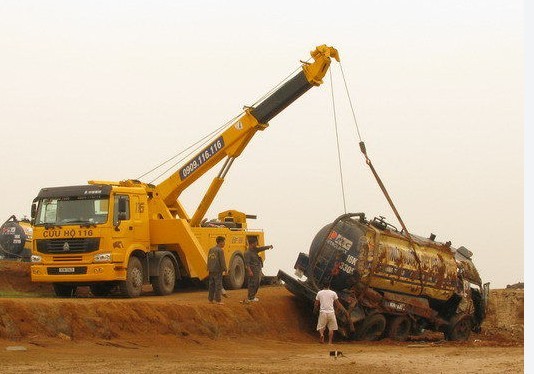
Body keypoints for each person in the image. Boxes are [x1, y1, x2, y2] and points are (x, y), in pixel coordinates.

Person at [243, 237, 273, 303]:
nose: (257, 244)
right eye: (256, 243)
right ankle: (250, 297)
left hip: (257, 269)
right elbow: (247, 264)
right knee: (252, 283)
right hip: (253, 270)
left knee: (257, 283)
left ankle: (253, 296)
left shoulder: (255, 250)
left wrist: (268, 247)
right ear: (252, 244)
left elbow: (261, 248)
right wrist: (250, 271)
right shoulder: (247, 253)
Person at [207, 236, 227, 304]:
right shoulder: (220, 250)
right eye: (224, 242)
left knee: (211, 285)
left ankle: (210, 300)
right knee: (218, 285)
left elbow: (209, 259)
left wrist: (208, 268)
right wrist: (225, 269)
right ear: (221, 242)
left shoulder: (211, 249)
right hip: (218, 270)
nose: (224, 243)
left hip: (211, 270)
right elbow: (222, 261)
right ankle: (218, 300)